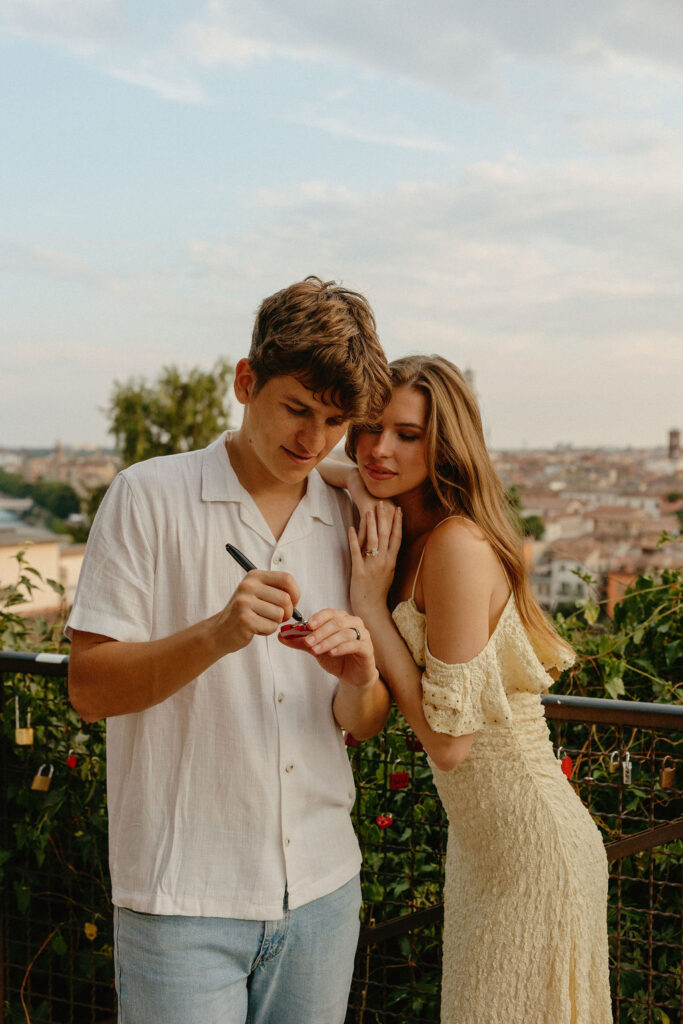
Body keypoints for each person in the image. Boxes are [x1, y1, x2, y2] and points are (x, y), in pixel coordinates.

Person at [66, 276, 393, 1024]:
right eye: (297, 409)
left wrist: (361, 676)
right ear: (245, 382)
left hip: (322, 890)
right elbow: (89, 688)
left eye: (335, 421)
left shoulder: (349, 515)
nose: (312, 440)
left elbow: (364, 723)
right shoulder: (145, 497)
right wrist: (216, 634)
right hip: (182, 902)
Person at [320, 354, 613, 1024]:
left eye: (405, 434)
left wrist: (367, 600)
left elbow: (449, 744)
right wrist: (364, 490)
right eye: (367, 428)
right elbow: (321, 469)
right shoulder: (410, 526)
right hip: (483, 848)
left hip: (536, 853)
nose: (377, 448)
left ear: (444, 443)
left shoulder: (454, 545)